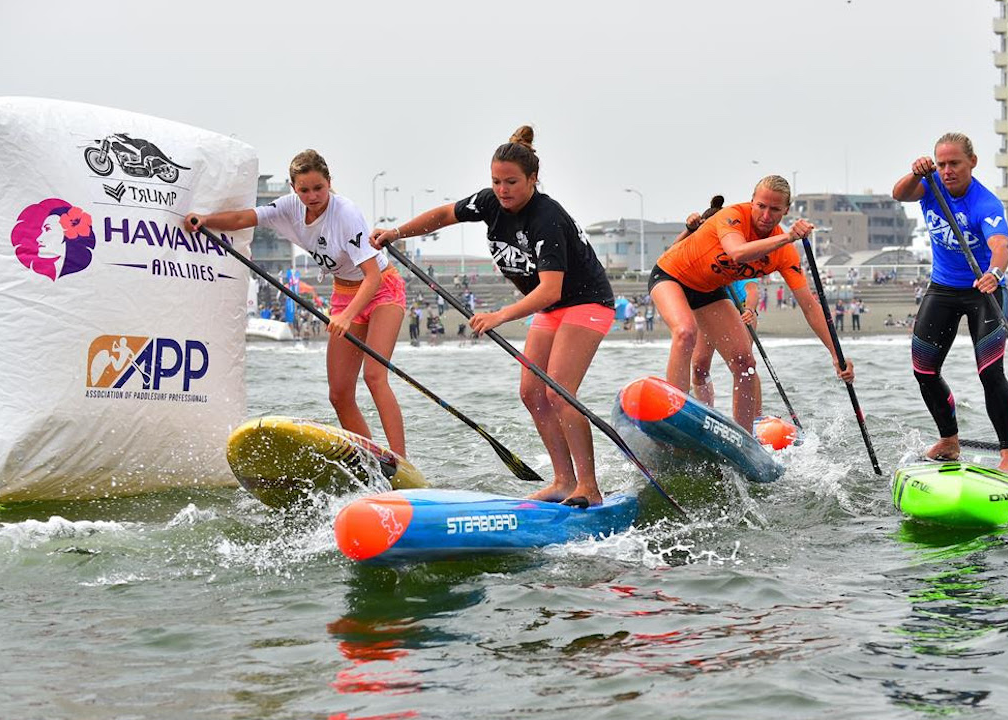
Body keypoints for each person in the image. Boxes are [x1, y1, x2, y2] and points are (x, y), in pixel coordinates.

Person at [370, 126, 615, 508]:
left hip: (587, 302)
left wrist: (500, 315)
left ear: (533, 179)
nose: (503, 190)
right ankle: (563, 480)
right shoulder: (489, 204)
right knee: (532, 393)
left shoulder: (546, 218)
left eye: (512, 182)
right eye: (496, 181)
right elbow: (442, 215)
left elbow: (550, 288)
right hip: (551, 308)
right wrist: (398, 232)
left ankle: (589, 487)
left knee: (559, 392)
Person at [184, 149, 408, 455]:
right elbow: (244, 217)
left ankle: (401, 461)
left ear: (329, 182)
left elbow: (372, 277)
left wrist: (345, 317)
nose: (313, 196)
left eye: (319, 188)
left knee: (373, 376)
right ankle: (373, 460)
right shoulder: (288, 208)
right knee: (339, 394)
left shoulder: (346, 213)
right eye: (304, 190)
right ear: (293, 188)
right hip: (344, 293)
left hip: (382, 289)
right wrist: (206, 219)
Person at [649, 175, 854, 431]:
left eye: (775, 209)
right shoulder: (734, 216)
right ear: (752, 201)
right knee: (685, 332)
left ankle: (744, 438)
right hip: (671, 276)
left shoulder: (784, 252)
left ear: (786, 210)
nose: (766, 215)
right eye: (761, 206)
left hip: (709, 290)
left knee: (745, 363)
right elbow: (738, 252)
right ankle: (674, 416)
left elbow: (810, 306)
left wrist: (836, 355)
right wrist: (787, 237)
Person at [892, 132, 1008, 474]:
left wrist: (994, 272)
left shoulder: (985, 203)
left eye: (955, 164)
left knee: (990, 372)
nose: (948, 171)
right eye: (942, 164)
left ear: (972, 162)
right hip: (943, 289)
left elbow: (1001, 245)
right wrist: (917, 173)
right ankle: (949, 441)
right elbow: (899, 194)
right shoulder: (930, 186)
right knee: (924, 369)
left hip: (984, 290)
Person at [671, 195, 762, 408]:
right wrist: (689, 229)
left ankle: (756, 417)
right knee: (700, 367)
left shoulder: (735, 254)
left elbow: (751, 289)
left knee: (744, 366)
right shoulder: (697, 252)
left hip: (740, 313)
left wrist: (749, 309)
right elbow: (672, 254)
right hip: (708, 313)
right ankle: (707, 413)